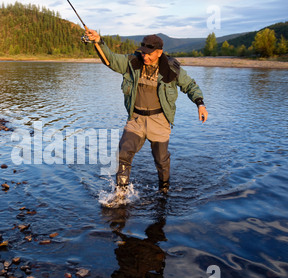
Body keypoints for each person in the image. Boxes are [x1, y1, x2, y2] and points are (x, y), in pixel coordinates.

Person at [85, 30, 208, 194]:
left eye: (149, 54)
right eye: (143, 53)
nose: (145, 57)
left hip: (159, 120)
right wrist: (98, 42)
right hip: (136, 120)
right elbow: (110, 60)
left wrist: (200, 104)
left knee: (161, 160)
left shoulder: (171, 67)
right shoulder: (132, 62)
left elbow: (190, 86)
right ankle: (121, 194)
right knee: (123, 153)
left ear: (159, 52)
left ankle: (164, 191)